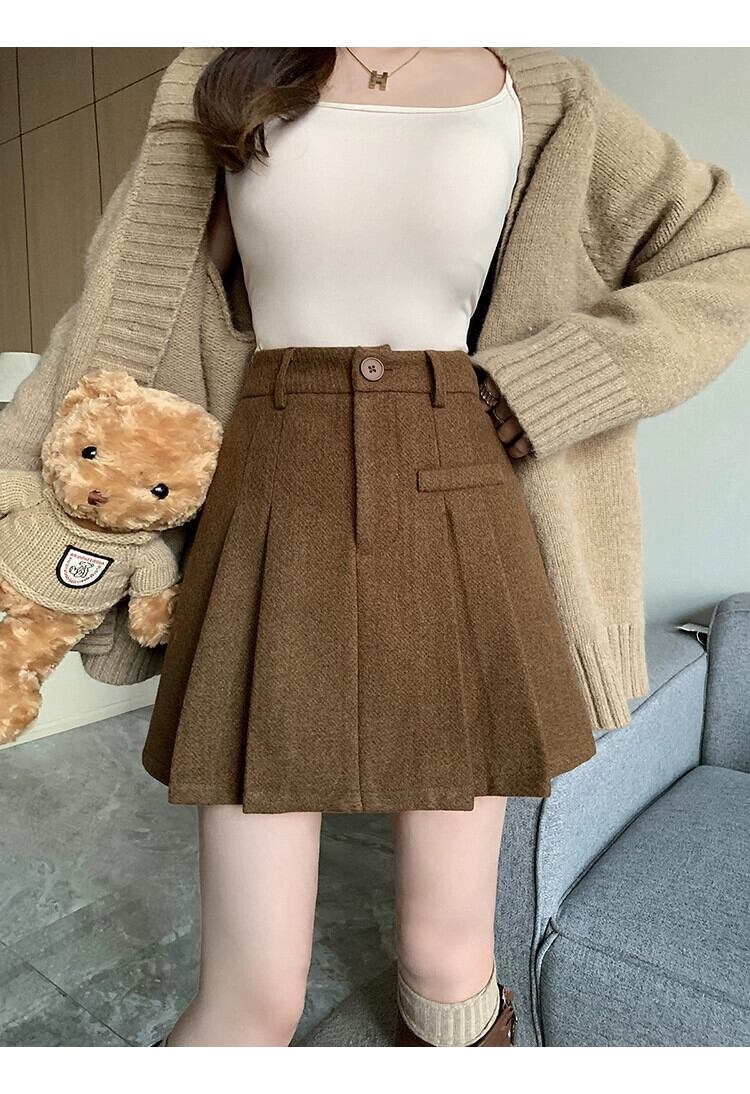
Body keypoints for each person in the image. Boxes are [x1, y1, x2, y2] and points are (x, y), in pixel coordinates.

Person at [2, 46, 749, 1049]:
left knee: (449, 960)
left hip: (464, 477)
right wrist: (29, 506)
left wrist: (555, 379)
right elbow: (126, 305)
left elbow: (725, 252)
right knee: (251, 994)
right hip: (272, 484)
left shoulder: (544, 90)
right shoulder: (227, 68)